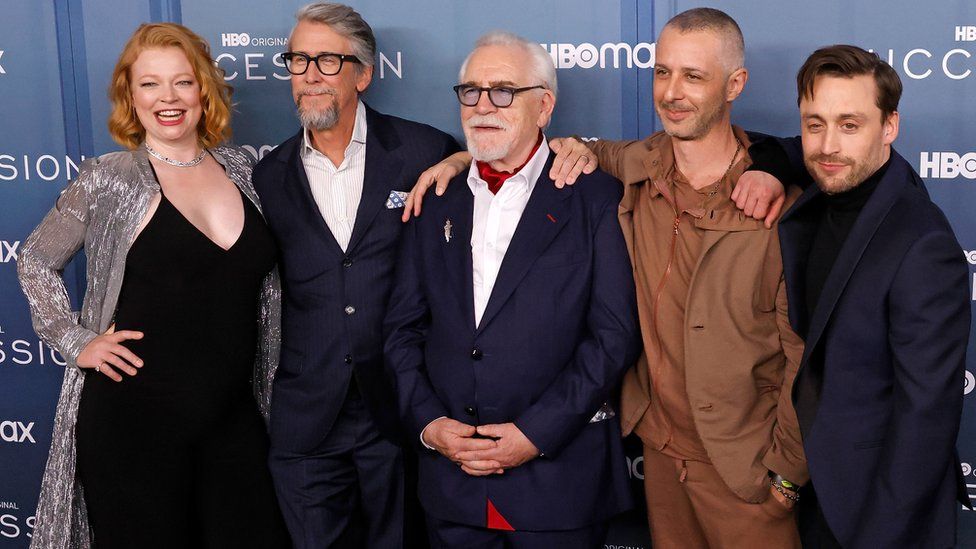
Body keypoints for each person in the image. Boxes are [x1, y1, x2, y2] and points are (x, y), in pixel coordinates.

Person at [406, 9, 808, 548]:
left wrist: (787, 473)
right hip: (661, 455)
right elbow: (514, 147)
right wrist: (461, 158)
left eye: (694, 75)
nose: (672, 92)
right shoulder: (626, 168)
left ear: (735, 84)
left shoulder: (773, 195)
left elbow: (803, 344)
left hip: (744, 460)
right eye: (662, 72)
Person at [17, 23, 289, 549]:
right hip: (132, 423)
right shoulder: (109, 179)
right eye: (150, 84)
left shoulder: (244, 171)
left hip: (232, 419)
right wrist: (77, 342)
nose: (168, 98)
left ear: (203, 91)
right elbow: (34, 260)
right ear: (130, 95)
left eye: (182, 82)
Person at [383, 31, 641, 549]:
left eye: (503, 91)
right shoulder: (435, 197)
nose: (483, 106)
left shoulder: (594, 197)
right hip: (453, 489)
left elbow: (613, 336)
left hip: (559, 488)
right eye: (470, 92)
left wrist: (536, 435)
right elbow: (402, 330)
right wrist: (430, 423)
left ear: (543, 106)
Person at [251, 3, 459, 547]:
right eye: (298, 60)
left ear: (364, 74)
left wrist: (460, 163)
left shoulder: (425, 150)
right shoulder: (268, 174)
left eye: (327, 60)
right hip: (306, 416)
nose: (309, 75)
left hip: (399, 406)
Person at [765, 45, 970, 549]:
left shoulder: (922, 243)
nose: (828, 145)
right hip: (815, 494)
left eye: (850, 125)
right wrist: (766, 164)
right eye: (815, 124)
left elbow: (925, 417)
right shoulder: (828, 188)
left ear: (891, 126)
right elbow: (793, 148)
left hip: (881, 511)